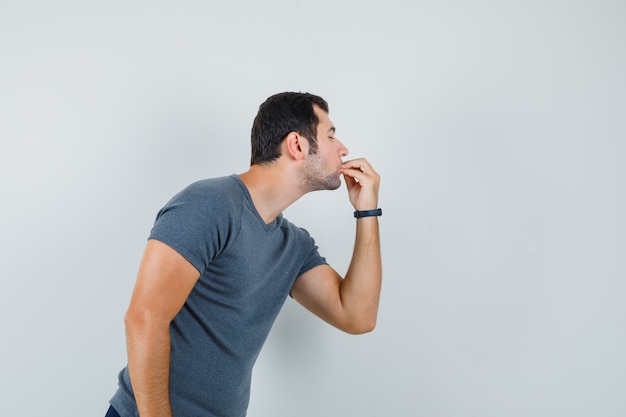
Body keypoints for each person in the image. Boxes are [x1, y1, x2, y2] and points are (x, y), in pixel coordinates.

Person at [106, 92, 383, 417]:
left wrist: (367, 212)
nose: (343, 149)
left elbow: (357, 316)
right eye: (331, 135)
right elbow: (144, 319)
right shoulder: (209, 204)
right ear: (296, 145)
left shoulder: (294, 245)